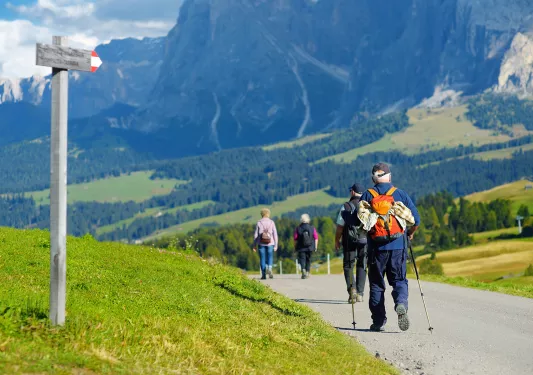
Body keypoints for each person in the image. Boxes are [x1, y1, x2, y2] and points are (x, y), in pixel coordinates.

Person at [359, 163, 420, 332]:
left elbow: (359, 221)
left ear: (373, 178)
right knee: (399, 280)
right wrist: (410, 233)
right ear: (389, 176)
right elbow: (416, 219)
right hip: (398, 246)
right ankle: (401, 303)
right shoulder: (399, 194)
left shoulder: (367, 195)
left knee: (377, 284)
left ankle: (378, 321)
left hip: (375, 249)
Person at [335, 183, 368, 303]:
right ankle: (360, 294)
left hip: (349, 240)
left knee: (349, 266)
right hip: (364, 240)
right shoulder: (366, 206)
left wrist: (337, 240)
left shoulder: (346, 206)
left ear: (353, 192)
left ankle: (352, 289)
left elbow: (339, 227)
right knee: (362, 265)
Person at [253, 208, 278, 280]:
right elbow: (275, 234)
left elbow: (256, 235)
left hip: (261, 243)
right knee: (270, 256)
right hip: (271, 243)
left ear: (262, 214)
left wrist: (254, 245)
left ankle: (263, 275)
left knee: (262, 259)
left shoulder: (259, 222)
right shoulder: (272, 222)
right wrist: (276, 245)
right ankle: (269, 268)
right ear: (268, 214)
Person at [294, 214, 319, 279]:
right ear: (308, 219)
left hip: (301, 247)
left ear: (301, 220)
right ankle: (307, 272)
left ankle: (303, 270)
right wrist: (315, 247)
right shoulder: (312, 228)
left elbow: (295, 238)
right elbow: (316, 237)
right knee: (308, 259)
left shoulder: (298, 228)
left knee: (302, 259)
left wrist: (295, 247)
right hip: (310, 247)